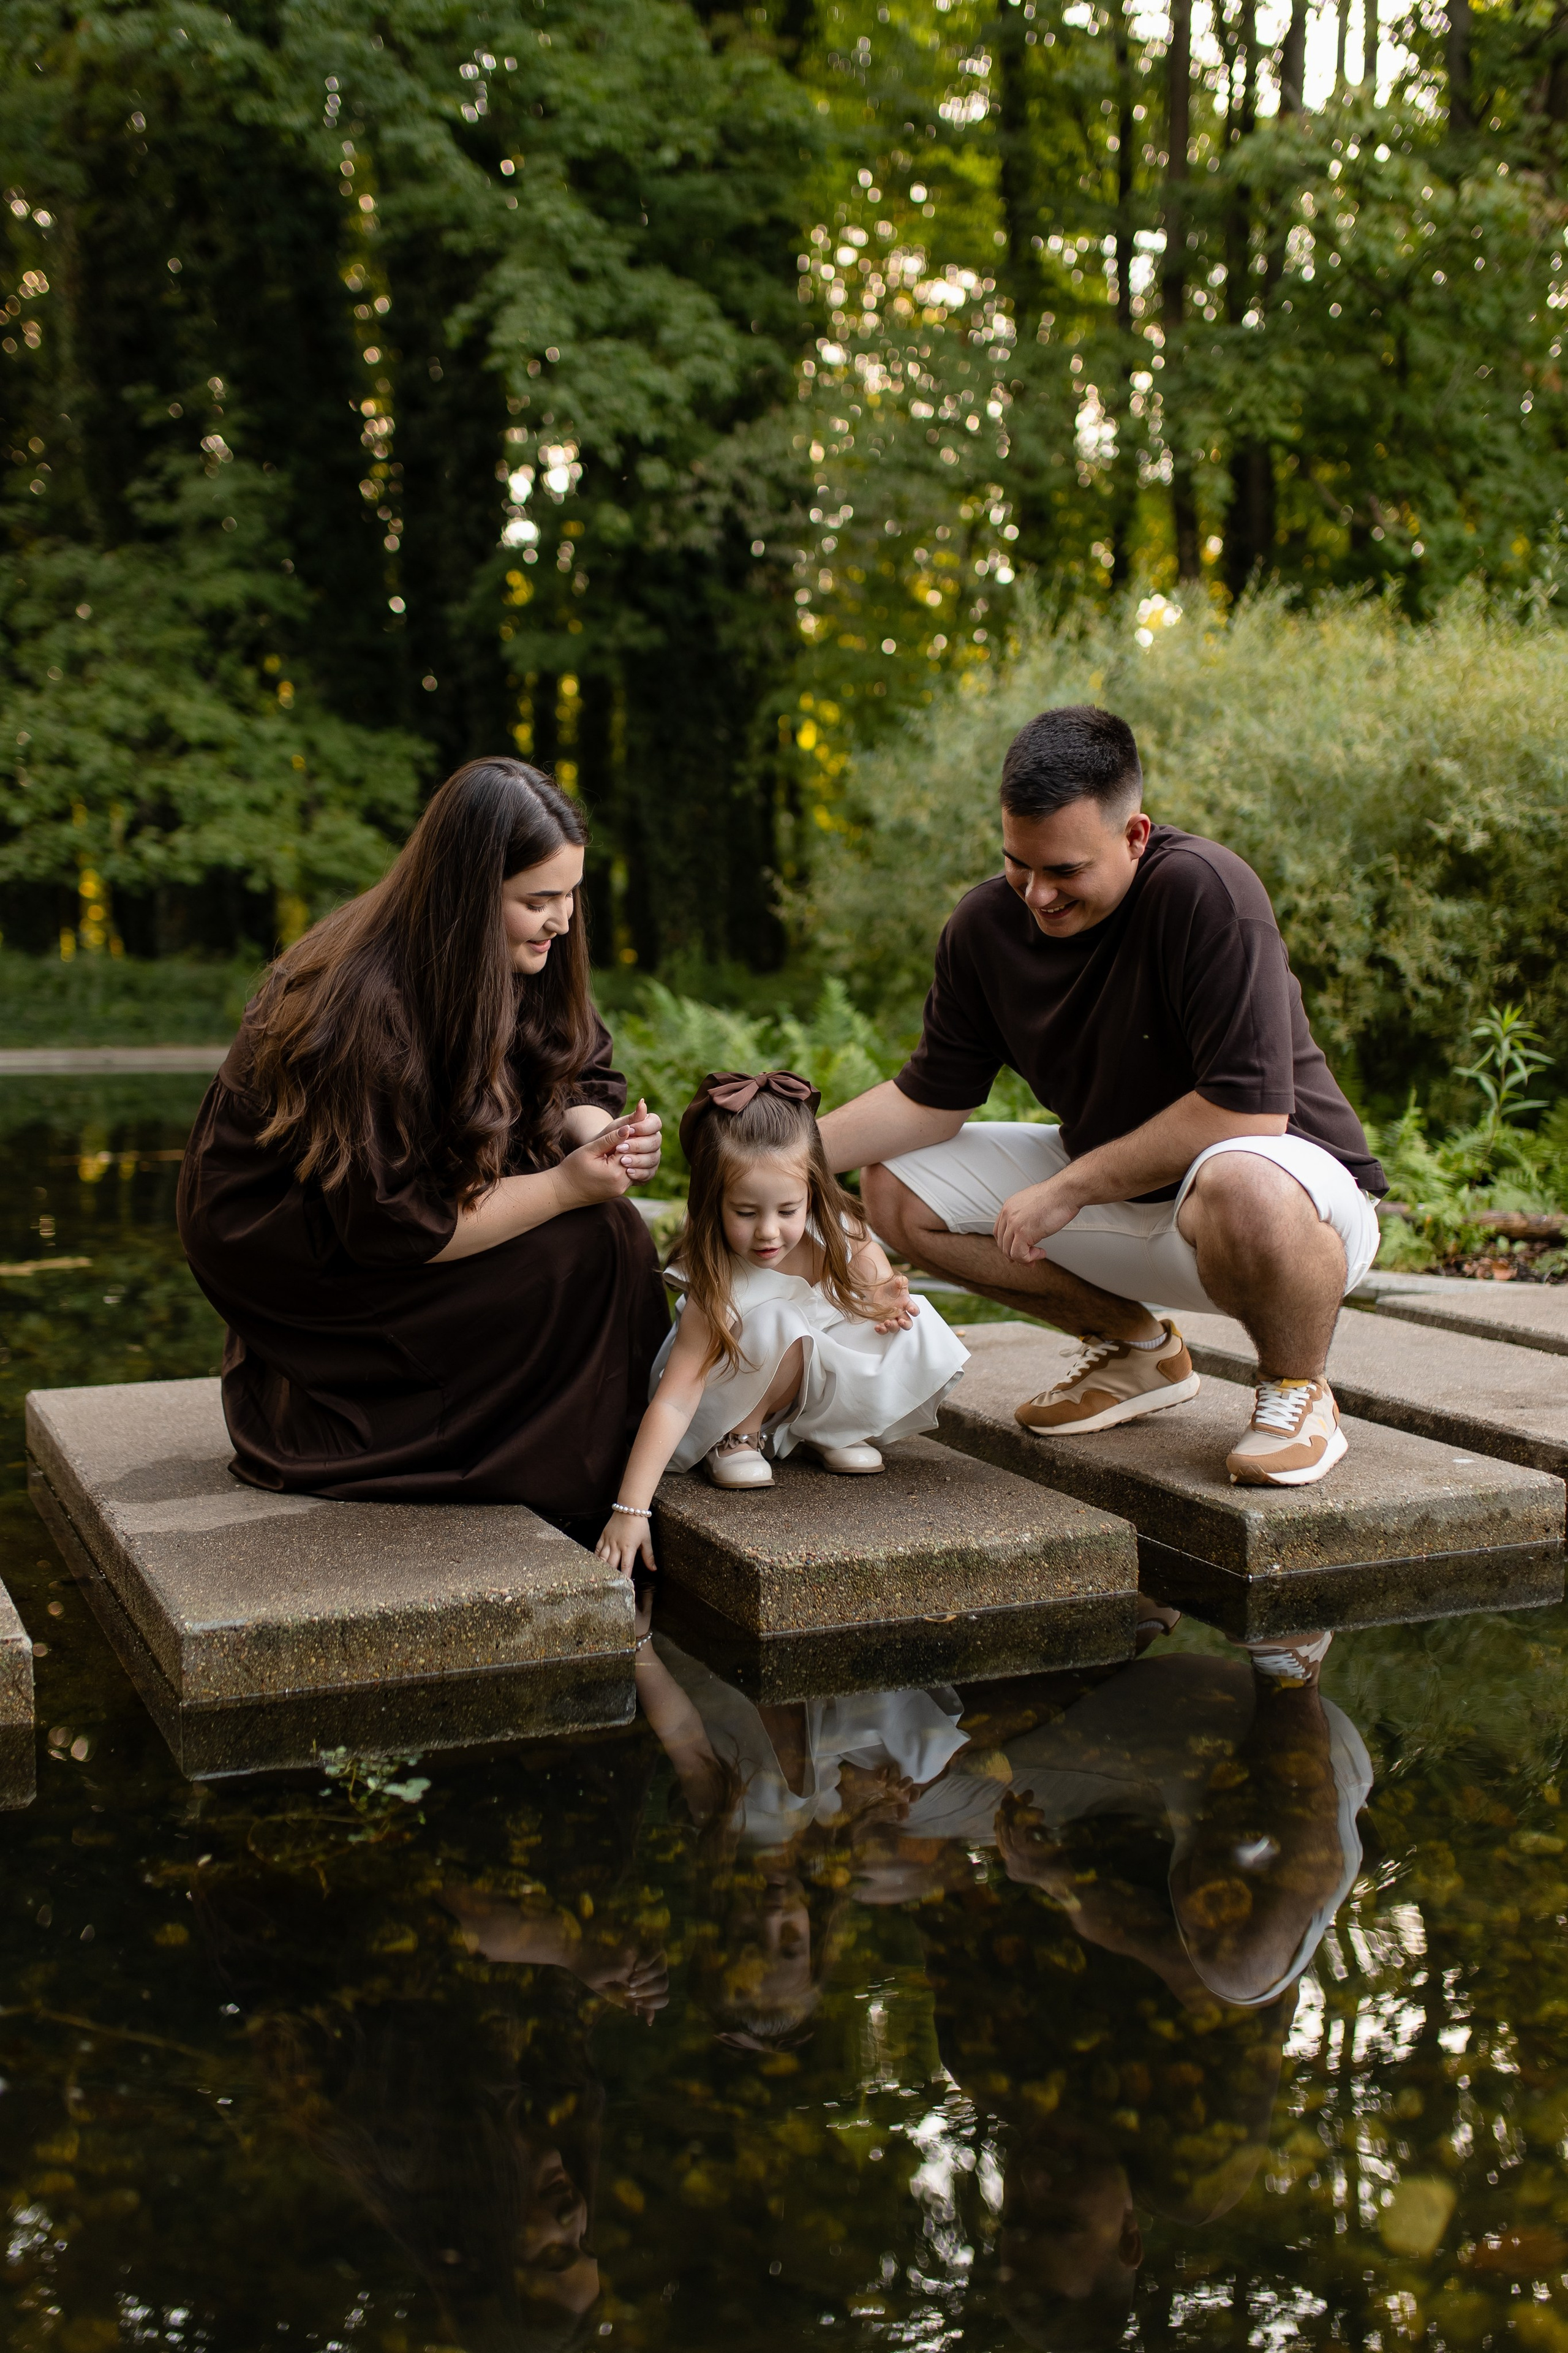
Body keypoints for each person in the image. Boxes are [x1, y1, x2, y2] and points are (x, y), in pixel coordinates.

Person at [816, 704, 1385, 1487]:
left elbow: (1244, 1110)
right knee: (893, 1185)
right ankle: (1136, 1350)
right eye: (1020, 862)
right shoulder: (985, 926)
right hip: (1133, 1201)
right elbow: (932, 1099)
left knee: (1243, 1179)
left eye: (1065, 871)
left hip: (1292, 1206)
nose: (1037, 895)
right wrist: (781, 1158)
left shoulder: (1206, 892)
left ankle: (1296, 1386)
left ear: (1135, 836)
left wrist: (1066, 1188)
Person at [177, 758, 669, 1525]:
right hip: (320, 1260)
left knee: (613, 1234)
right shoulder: (359, 1005)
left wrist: (601, 1134)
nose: (565, 920)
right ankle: (526, 1455)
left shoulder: (523, 947)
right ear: (469, 895)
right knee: (591, 1245)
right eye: (539, 900)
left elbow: (572, 1063)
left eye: (571, 893)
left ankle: (617, 1443)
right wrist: (566, 1186)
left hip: (406, 1207)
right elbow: (397, 1223)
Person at [594, 1070, 970, 1575]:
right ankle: (739, 1439)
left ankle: (832, 1430)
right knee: (780, 1318)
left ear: (813, 1191)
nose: (769, 1232)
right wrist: (629, 1509)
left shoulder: (835, 1230)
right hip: (726, 1394)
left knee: (909, 1319)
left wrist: (885, 1298)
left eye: (788, 1209)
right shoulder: (718, 1276)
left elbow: (876, 1276)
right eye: (746, 1211)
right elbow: (678, 1396)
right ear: (714, 1202)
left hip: (796, 1385)